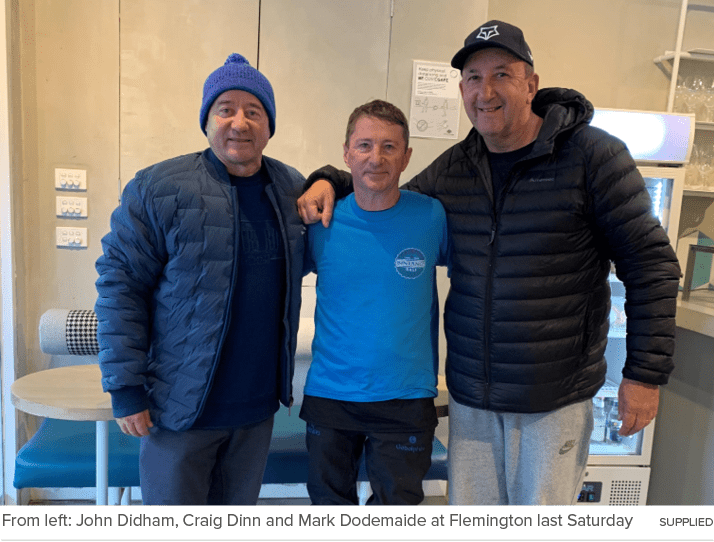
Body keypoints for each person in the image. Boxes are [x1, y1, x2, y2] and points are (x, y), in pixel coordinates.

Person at [297, 21, 681, 505]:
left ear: (531, 85)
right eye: (474, 78)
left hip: (553, 395)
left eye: (502, 74)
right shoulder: (458, 166)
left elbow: (651, 264)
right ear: (462, 90)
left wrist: (644, 374)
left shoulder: (593, 157)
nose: (487, 91)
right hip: (473, 395)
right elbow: (385, 197)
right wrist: (328, 178)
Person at [94, 53, 306, 505]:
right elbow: (120, 286)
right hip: (178, 410)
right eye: (225, 108)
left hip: (255, 410)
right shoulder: (159, 187)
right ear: (206, 120)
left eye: (254, 111)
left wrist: (331, 178)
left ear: (270, 126)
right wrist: (125, 387)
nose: (240, 122)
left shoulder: (291, 189)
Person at [300, 100, 450, 506]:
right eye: (364, 145)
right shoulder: (320, 221)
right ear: (346, 153)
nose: (376, 158)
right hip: (332, 396)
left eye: (389, 147)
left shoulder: (432, 216)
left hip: (406, 396)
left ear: (406, 157)